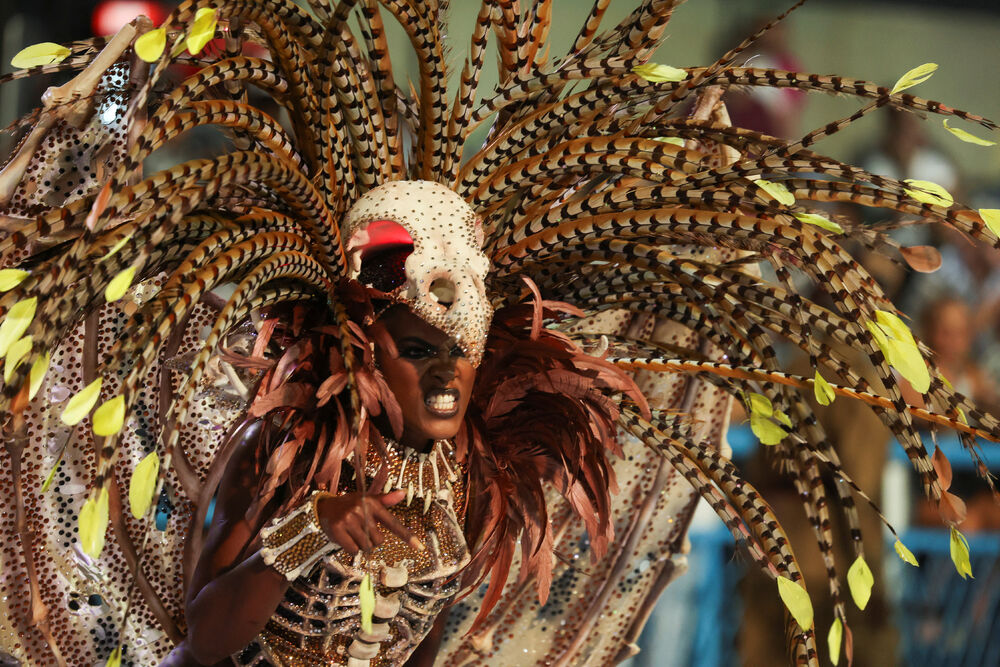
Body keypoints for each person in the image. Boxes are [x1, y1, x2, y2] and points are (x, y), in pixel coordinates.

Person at [1, 2, 998, 666]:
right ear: (362, 327)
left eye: (464, 335)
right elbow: (192, 650)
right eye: (420, 337)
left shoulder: (482, 465)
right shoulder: (283, 446)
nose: (448, 361)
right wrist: (303, 533)